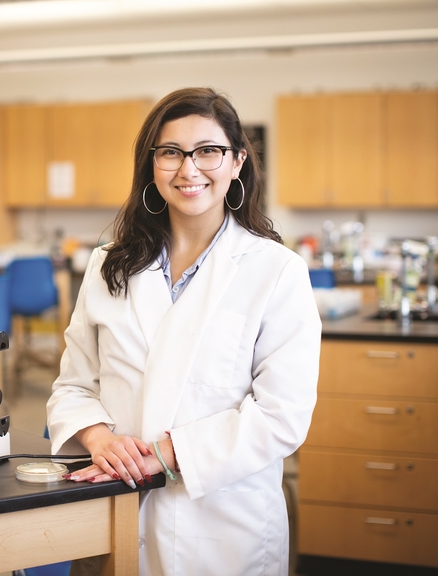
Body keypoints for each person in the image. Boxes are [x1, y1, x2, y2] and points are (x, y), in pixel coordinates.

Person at [46, 87, 322, 576]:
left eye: (208, 151)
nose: (189, 169)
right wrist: (97, 438)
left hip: (221, 523)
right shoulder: (108, 265)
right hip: (113, 507)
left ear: (237, 162)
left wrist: (164, 456)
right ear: (151, 166)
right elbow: (73, 385)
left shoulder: (276, 271)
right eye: (171, 152)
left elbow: (282, 415)